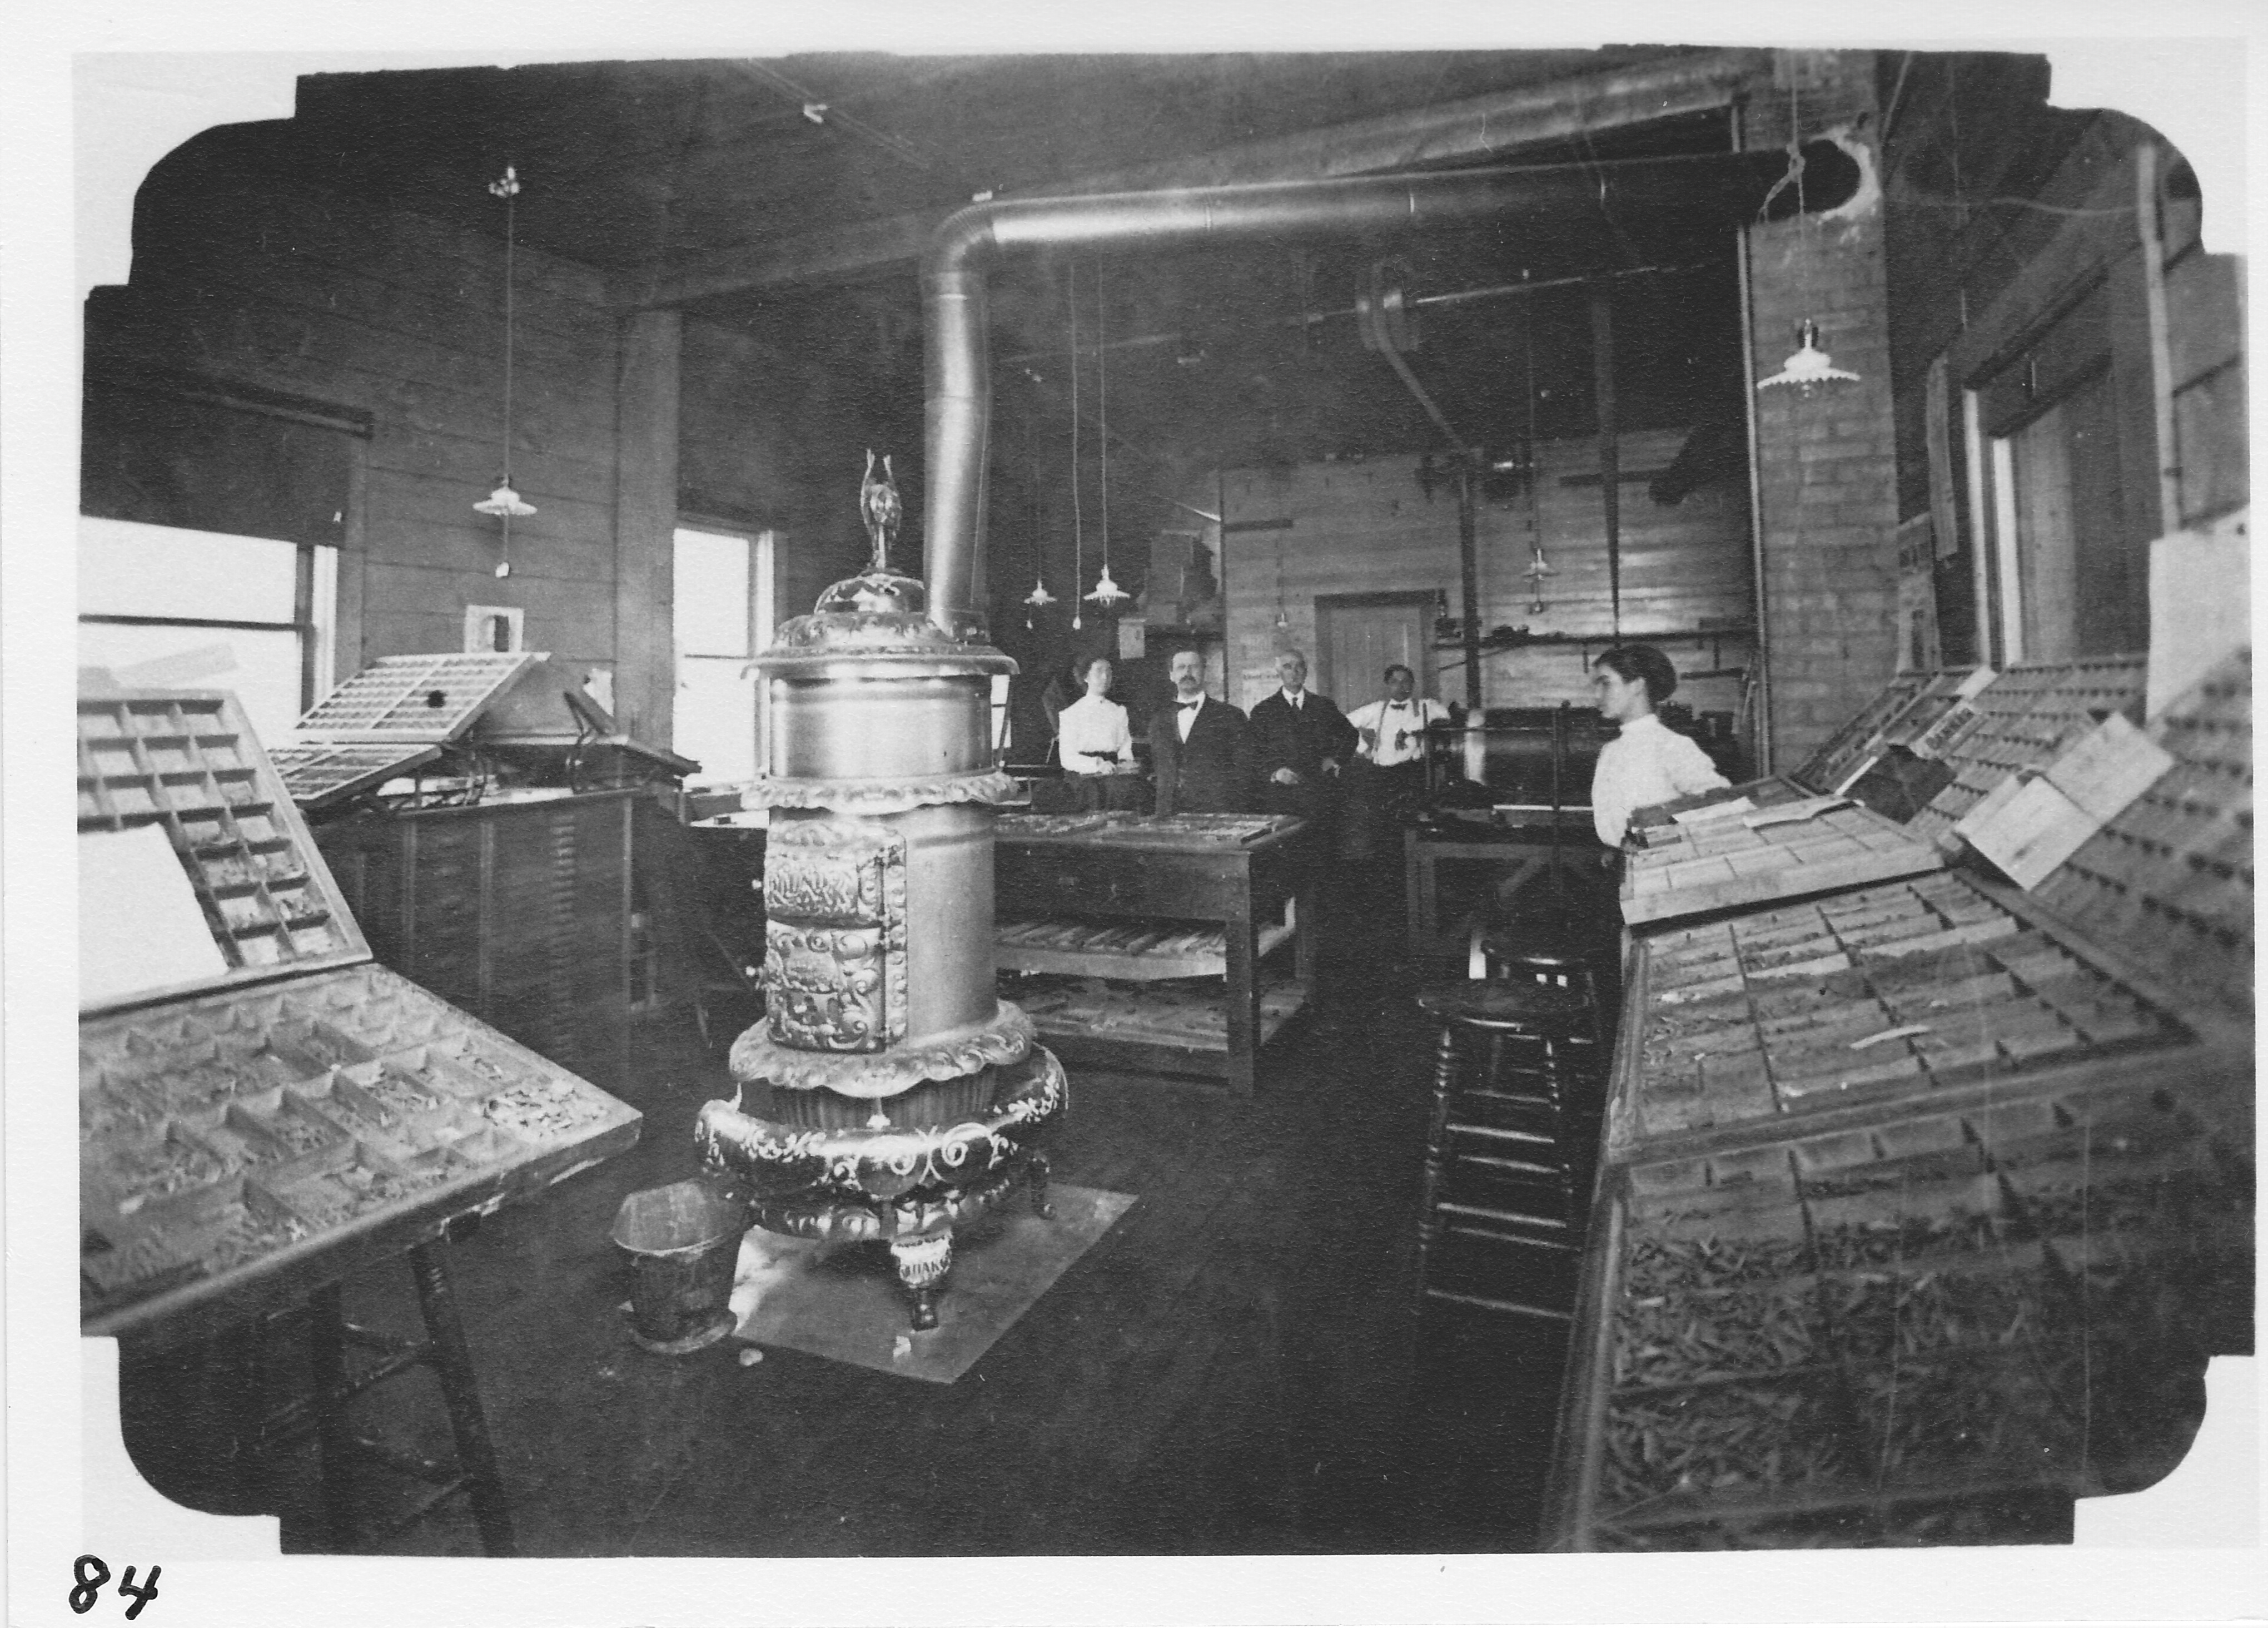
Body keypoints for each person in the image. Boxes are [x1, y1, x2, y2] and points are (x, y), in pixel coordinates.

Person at [1588, 643, 1729, 848]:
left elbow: (1723, 805)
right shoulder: (1610, 751)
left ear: (1637, 686)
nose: (1597, 696)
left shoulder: (1672, 746)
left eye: (1606, 684)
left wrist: (1663, 837)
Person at [1343, 663, 1451, 857]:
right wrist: (1364, 750)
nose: (1401, 686)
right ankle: (1386, 870)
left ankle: (1410, 869)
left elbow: (1451, 722)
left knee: (1412, 828)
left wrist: (1421, 731)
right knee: (1382, 828)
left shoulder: (1428, 707)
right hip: (1382, 777)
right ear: (1387, 685)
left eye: (1406, 681)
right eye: (1395, 682)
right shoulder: (1377, 709)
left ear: (1413, 684)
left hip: (1413, 775)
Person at [1247, 650, 1357, 827]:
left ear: (1306, 672)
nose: (1294, 672)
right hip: (1281, 797)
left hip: (1321, 794)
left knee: (1322, 848)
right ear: (1279, 673)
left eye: (1299, 667)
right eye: (1288, 667)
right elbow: (1252, 752)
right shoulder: (1263, 711)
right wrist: (1275, 773)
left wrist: (1336, 761)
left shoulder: (1324, 706)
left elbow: (1351, 736)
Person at [1148, 647, 1251, 816]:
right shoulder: (1158, 720)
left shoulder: (1231, 716)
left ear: (1205, 672)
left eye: (1194, 667)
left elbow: (1244, 771)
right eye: (1181, 668)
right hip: (1169, 812)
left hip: (1216, 811)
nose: (1187, 673)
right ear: (1171, 675)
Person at [1056, 657, 1143, 811]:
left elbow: (1124, 748)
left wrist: (1126, 764)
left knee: (1132, 787)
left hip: (1114, 771)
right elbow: (1067, 758)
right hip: (1083, 774)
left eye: (1109, 673)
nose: (1105, 678)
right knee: (1094, 790)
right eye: (1099, 672)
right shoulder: (1071, 714)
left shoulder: (1118, 711)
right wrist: (1097, 765)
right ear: (1086, 677)